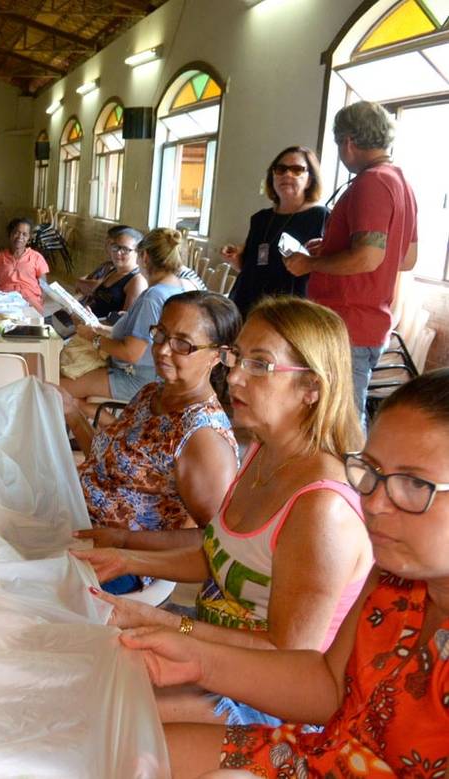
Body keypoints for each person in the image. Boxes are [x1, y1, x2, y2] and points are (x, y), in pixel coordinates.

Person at [121, 367, 449, 777]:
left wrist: (179, 631)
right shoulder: (394, 576)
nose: (377, 502)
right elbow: (330, 685)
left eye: (415, 484)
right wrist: (198, 660)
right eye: (373, 473)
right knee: (121, 747)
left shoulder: (325, 510)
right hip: (327, 754)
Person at [72, 297, 372, 727]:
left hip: (271, 705)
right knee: (76, 677)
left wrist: (165, 622)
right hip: (216, 658)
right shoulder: (262, 453)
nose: (233, 376)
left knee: (96, 717)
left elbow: (287, 657)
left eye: (261, 366)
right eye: (237, 358)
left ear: (313, 388)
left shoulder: (321, 508)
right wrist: (125, 557)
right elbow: (217, 554)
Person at [58, 292, 241, 548]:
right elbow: (108, 464)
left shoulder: (203, 437)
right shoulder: (152, 393)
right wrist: (74, 415)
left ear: (218, 355)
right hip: (78, 521)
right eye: (161, 334)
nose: (163, 349)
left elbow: (212, 540)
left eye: (183, 344)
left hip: (118, 559)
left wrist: (123, 541)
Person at [284, 101, 418, 419]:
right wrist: (331, 248)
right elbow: (406, 258)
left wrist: (310, 264)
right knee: (339, 413)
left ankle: (349, 470)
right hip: (368, 321)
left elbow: (368, 257)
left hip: (348, 324)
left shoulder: (372, 182)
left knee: (342, 419)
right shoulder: (400, 182)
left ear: (348, 142)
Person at [58, 227, 199, 408]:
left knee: (55, 388)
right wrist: (98, 327)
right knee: (73, 390)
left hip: (137, 379)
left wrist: (93, 337)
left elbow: (131, 353)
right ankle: (100, 424)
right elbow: (142, 337)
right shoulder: (178, 287)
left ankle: (109, 429)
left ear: (145, 257)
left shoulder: (153, 297)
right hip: (157, 375)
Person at [222, 146, 328, 318]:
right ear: (272, 177)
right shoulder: (260, 219)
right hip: (248, 308)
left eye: (297, 170)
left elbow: (325, 273)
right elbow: (251, 268)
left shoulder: (321, 217)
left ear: (310, 180)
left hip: (290, 314)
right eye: (280, 169)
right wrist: (236, 259)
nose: (287, 174)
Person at [82, 224, 148, 320]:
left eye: (125, 249)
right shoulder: (113, 271)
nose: (118, 252)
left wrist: (96, 325)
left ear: (137, 252)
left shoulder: (137, 281)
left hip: (103, 331)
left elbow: (125, 323)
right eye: (115, 247)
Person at [0, 217, 50, 312]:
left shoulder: (37, 257)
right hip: (4, 300)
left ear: (29, 238)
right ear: (10, 234)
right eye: (16, 232)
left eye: (25, 234)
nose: (20, 237)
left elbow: (44, 287)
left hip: (30, 301)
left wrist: (39, 305)